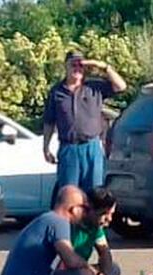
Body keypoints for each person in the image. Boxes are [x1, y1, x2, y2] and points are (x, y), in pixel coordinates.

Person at [43, 50, 127, 195]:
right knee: (69, 194)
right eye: (73, 65)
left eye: (80, 65)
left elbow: (121, 86)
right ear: (66, 66)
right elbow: (49, 121)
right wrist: (46, 147)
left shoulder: (94, 87)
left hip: (92, 148)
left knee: (94, 195)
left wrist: (103, 67)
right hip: (69, 149)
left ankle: (91, 219)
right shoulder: (56, 92)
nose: (77, 69)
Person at [71, 187, 120, 275]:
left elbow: (105, 252)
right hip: (65, 272)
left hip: (83, 271)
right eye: (104, 214)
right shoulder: (70, 226)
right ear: (89, 210)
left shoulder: (96, 227)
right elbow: (67, 262)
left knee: (113, 269)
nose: (109, 219)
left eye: (111, 214)